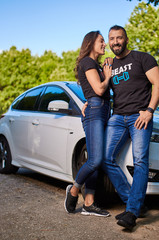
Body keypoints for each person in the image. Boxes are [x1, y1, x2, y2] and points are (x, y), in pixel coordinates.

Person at [102, 25, 159, 230]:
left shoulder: (142, 58)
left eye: (119, 38)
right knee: (106, 158)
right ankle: (134, 202)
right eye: (111, 39)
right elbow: (102, 90)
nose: (115, 42)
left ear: (126, 39)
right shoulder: (109, 66)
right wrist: (88, 101)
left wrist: (149, 110)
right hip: (118, 117)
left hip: (140, 117)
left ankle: (131, 212)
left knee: (140, 161)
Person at [64, 30, 112, 217]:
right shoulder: (87, 62)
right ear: (91, 43)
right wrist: (107, 77)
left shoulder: (97, 65)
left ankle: (89, 204)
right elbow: (99, 89)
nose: (104, 44)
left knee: (96, 160)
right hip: (96, 111)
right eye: (101, 41)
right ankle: (74, 190)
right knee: (95, 160)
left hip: (102, 110)